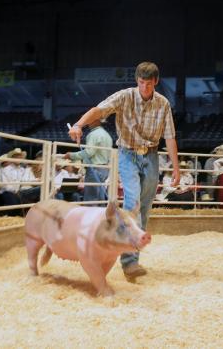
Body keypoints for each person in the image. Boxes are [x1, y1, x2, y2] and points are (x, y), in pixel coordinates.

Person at [68, 61, 179, 280]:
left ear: (156, 82)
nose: (145, 87)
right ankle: (129, 263)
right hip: (127, 153)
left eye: (149, 83)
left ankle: (131, 252)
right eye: (141, 82)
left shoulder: (163, 103)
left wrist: (176, 168)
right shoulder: (124, 96)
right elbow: (98, 110)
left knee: (144, 207)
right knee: (132, 203)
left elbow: (170, 137)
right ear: (137, 81)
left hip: (152, 155)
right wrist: (79, 125)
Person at [64, 118, 113, 202]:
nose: (86, 122)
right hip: (104, 169)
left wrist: (71, 155)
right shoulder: (107, 135)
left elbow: (89, 152)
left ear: (95, 120)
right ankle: (100, 214)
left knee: (91, 198)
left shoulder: (93, 134)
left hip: (94, 168)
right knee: (99, 197)